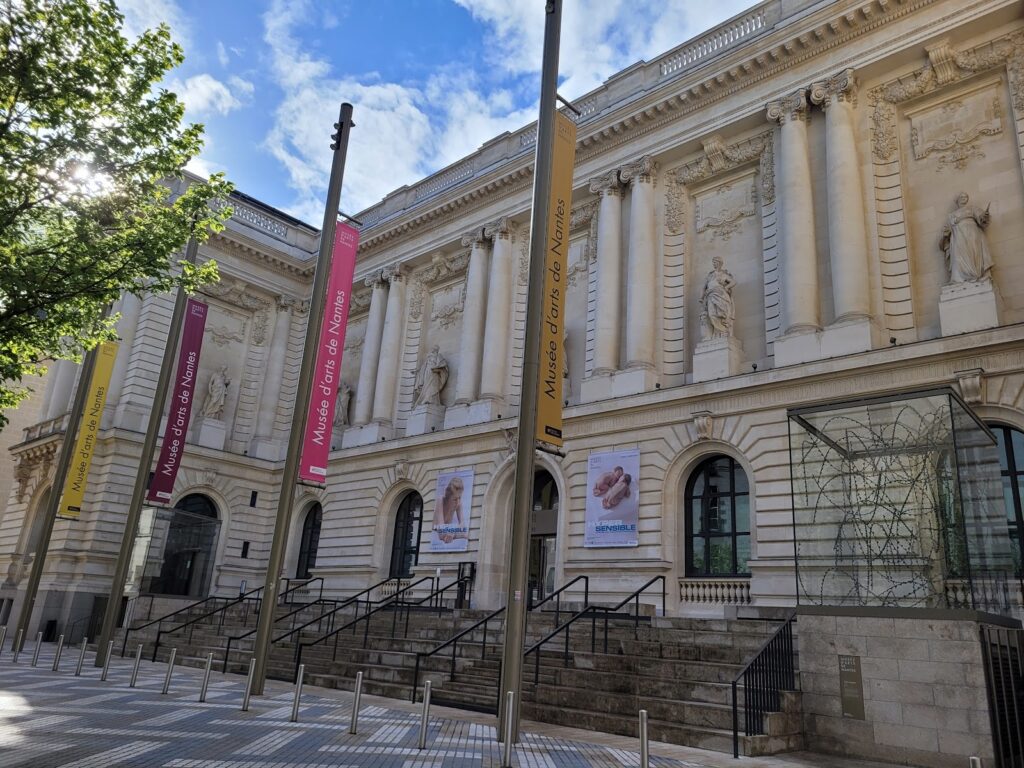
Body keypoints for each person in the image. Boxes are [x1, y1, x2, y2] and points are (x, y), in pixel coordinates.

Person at [940, 192, 993, 284]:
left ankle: (977, 275)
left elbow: (982, 218)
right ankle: (959, 278)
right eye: (961, 196)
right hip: (958, 237)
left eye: (965, 196)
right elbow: (947, 230)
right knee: (958, 257)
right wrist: (945, 234)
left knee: (974, 253)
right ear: (957, 200)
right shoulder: (951, 215)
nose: (964, 198)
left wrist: (984, 216)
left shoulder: (973, 209)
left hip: (972, 234)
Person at [699, 255, 736, 340]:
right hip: (710, 296)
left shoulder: (724, 274)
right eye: (713, 262)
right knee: (711, 314)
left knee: (722, 314)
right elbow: (703, 287)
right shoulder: (710, 275)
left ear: (720, 263)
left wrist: (726, 287)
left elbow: (733, 282)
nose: (714, 264)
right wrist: (701, 297)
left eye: (715, 262)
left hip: (721, 295)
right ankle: (719, 331)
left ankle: (723, 331)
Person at [435, 476, 465, 544]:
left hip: (448, 531)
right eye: (455, 499)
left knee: (465, 534)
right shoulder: (441, 500)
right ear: (448, 497)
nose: (458, 502)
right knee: (464, 535)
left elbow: (463, 525)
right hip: (437, 530)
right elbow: (441, 532)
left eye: (460, 498)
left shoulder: (458, 503)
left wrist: (452, 533)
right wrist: (455, 531)